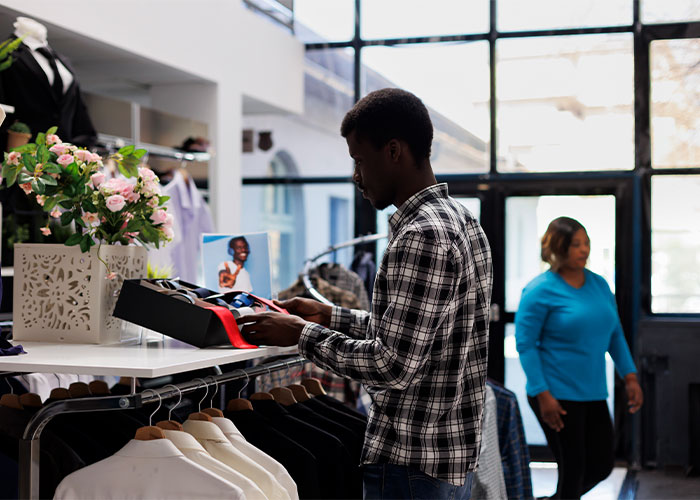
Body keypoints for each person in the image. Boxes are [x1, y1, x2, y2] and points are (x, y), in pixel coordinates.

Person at [236, 88, 493, 500]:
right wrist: (329, 316)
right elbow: (414, 336)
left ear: (393, 151)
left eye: (359, 160)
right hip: (447, 460)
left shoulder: (421, 235)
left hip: (412, 466)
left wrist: (300, 334)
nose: (356, 176)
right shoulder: (462, 221)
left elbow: (393, 365)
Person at [515, 216, 643, 500]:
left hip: (592, 392)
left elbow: (614, 335)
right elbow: (525, 345)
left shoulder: (599, 285)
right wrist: (543, 394)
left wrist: (631, 377)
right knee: (573, 469)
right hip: (555, 394)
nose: (584, 249)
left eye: (586, 243)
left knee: (601, 465)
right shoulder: (539, 290)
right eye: (575, 244)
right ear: (558, 248)